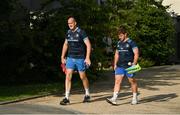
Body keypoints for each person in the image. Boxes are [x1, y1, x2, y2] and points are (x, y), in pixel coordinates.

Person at [60, 16, 91, 105]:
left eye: (71, 23)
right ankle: (66, 97)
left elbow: (88, 45)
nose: (70, 25)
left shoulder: (81, 32)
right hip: (70, 58)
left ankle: (87, 94)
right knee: (68, 76)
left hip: (80, 58)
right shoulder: (68, 32)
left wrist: (87, 57)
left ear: (75, 23)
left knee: (82, 77)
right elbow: (65, 44)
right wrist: (62, 56)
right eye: (68, 24)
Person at [106, 26, 139, 105]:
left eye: (121, 35)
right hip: (120, 66)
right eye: (119, 36)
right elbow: (117, 54)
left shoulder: (131, 43)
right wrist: (115, 64)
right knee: (117, 81)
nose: (119, 37)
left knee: (132, 81)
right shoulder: (119, 43)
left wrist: (134, 64)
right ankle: (114, 98)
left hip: (130, 66)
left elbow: (136, 54)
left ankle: (135, 98)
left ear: (125, 34)